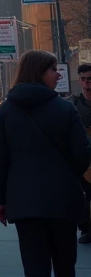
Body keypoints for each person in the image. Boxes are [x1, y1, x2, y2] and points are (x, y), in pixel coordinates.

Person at [0, 49, 90, 276]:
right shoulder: (65, 108)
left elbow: (2, 159)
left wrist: (2, 200)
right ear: (39, 72)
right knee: (65, 265)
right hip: (63, 199)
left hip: (24, 201)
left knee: (34, 267)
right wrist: (67, 175)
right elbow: (82, 154)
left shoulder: (6, 110)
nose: (58, 75)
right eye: (53, 70)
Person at [70, 62, 91, 243]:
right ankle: (86, 228)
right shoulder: (73, 103)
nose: (87, 83)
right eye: (83, 79)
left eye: (90, 79)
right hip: (82, 158)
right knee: (83, 196)